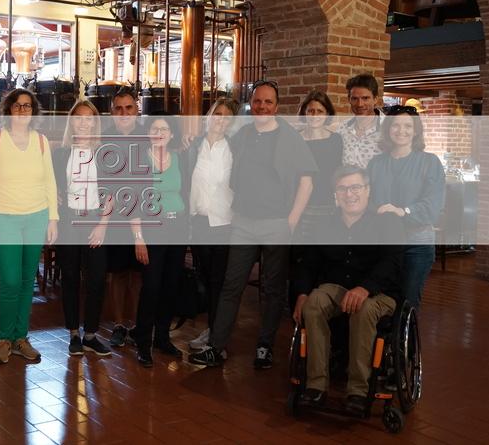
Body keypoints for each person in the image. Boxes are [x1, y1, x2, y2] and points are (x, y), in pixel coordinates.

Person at [189, 80, 316, 369]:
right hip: (243, 222)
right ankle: (216, 346)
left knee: (273, 288)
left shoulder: (289, 136)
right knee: (231, 285)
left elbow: (307, 182)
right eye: (257, 101)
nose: (262, 106)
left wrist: (291, 221)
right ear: (251, 104)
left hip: (277, 223)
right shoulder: (243, 134)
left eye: (268, 102)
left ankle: (264, 346)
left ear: (277, 106)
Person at [293, 166, 404, 415]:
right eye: (342, 189)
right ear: (335, 193)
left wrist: (365, 288)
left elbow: (393, 262)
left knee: (363, 309)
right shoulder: (325, 224)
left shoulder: (387, 222)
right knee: (314, 302)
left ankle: (358, 391)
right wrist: (302, 294)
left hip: (380, 293)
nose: (349, 194)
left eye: (355, 187)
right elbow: (308, 263)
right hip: (337, 289)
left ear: (367, 190)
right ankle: (316, 386)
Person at [0, 88, 58, 365]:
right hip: (3, 217)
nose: (21, 110)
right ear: (8, 109)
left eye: (27, 106)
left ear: (33, 110)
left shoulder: (41, 141)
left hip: (36, 217)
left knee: (28, 281)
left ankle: (20, 338)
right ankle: (4, 339)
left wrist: (53, 218)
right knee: (10, 280)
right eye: (17, 105)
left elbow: (50, 181)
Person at [367, 105, 445, 307]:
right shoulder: (376, 163)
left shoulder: (430, 162)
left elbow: (433, 205)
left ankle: (404, 330)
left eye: (408, 126)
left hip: (416, 244)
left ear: (416, 130)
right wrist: (376, 209)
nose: (401, 130)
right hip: (382, 241)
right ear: (388, 129)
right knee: (380, 300)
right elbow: (367, 199)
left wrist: (402, 212)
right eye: (396, 125)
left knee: (407, 303)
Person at [129, 113, 190, 367]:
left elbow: (185, 193)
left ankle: (162, 337)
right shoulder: (139, 161)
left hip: (177, 227)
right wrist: (138, 238)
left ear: (172, 134)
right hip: (151, 229)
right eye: (154, 128)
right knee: (151, 286)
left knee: (170, 285)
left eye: (164, 129)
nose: (159, 133)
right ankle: (143, 341)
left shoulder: (181, 159)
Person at [52, 100, 112, 357]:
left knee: (97, 279)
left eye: (89, 118)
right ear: (72, 122)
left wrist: (102, 225)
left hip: (95, 222)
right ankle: (74, 334)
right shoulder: (60, 154)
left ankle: (90, 335)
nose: (84, 123)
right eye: (79, 118)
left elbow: (111, 193)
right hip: (68, 222)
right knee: (70, 278)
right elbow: (52, 186)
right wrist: (55, 196)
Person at [186, 99, 238, 353]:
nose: (221, 119)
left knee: (219, 281)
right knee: (205, 279)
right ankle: (212, 329)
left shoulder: (234, 148)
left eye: (227, 116)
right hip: (199, 220)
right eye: (218, 113)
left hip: (224, 222)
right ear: (209, 115)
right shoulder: (193, 146)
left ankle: (218, 338)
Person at [102, 89, 145, 347]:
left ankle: (138, 325)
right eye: (119, 108)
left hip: (144, 214)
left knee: (139, 274)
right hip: (115, 216)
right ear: (112, 112)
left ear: (136, 110)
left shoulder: (148, 137)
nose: (124, 113)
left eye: (129, 108)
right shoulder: (104, 139)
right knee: (117, 274)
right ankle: (119, 324)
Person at [296, 91, 343, 243]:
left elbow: (338, 173)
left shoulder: (336, 140)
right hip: (299, 206)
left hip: (327, 206)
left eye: (320, 111)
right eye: (310, 111)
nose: (314, 115)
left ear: (327, 114)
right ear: (304, 112)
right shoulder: (295, 139)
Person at [337, 73, 384, 169]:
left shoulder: (389, 128)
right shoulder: (342, 128)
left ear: (375, 99)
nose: (360, 104)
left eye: (365, 98)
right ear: (349, 100)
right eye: (355, 99)